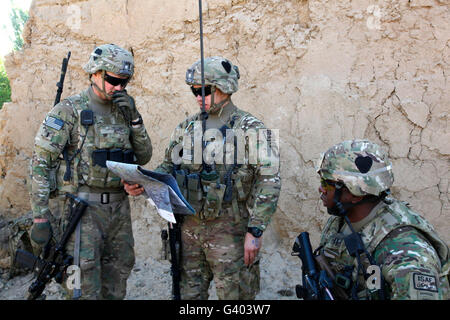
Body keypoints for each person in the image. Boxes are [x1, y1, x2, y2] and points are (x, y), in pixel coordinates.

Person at [125, 56, 281, 299]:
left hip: (230, 229)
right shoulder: (187, 127)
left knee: (235, 296)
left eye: (204, 90)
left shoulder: (250, 128)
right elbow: (168, 167)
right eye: (194, 90)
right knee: (189, 295)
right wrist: (143, 183)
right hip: (188, 229)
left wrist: (256, 231)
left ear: (224, 88)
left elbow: (269, 180)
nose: (198, 96)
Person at [29, 43, 152, 299]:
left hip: (119, 211)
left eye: (125, 82)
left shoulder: (124, 110)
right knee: (81, 285)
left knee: (117, 278)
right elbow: (41, 162)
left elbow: (144, 156)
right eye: (114, 80)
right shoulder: (69, 110)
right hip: (82, 213)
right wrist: (40, 217)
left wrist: (136, 119)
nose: (119, 88)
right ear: (95, 73)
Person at [315, 139, 449, 300]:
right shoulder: (343, 218)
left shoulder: (406, 254)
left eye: (327, 183)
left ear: (355, 194)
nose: (321, 189)